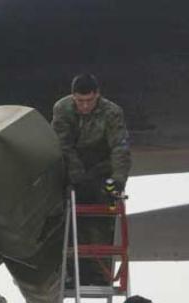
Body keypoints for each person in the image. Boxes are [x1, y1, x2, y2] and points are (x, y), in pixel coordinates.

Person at [52, 74, 131, 285]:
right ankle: (73, 273)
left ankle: (100, 273)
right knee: (68, 218)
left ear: (97, 95)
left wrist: (118, 179)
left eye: (89, 101)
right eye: (80, 101)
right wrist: (77, 176)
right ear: (73, 97)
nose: (85, 106)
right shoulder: (62, 109)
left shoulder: (112, 112)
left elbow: (119, 147)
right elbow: (63, 146)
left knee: (102, 216)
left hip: (100, 170)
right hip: (72, 170)